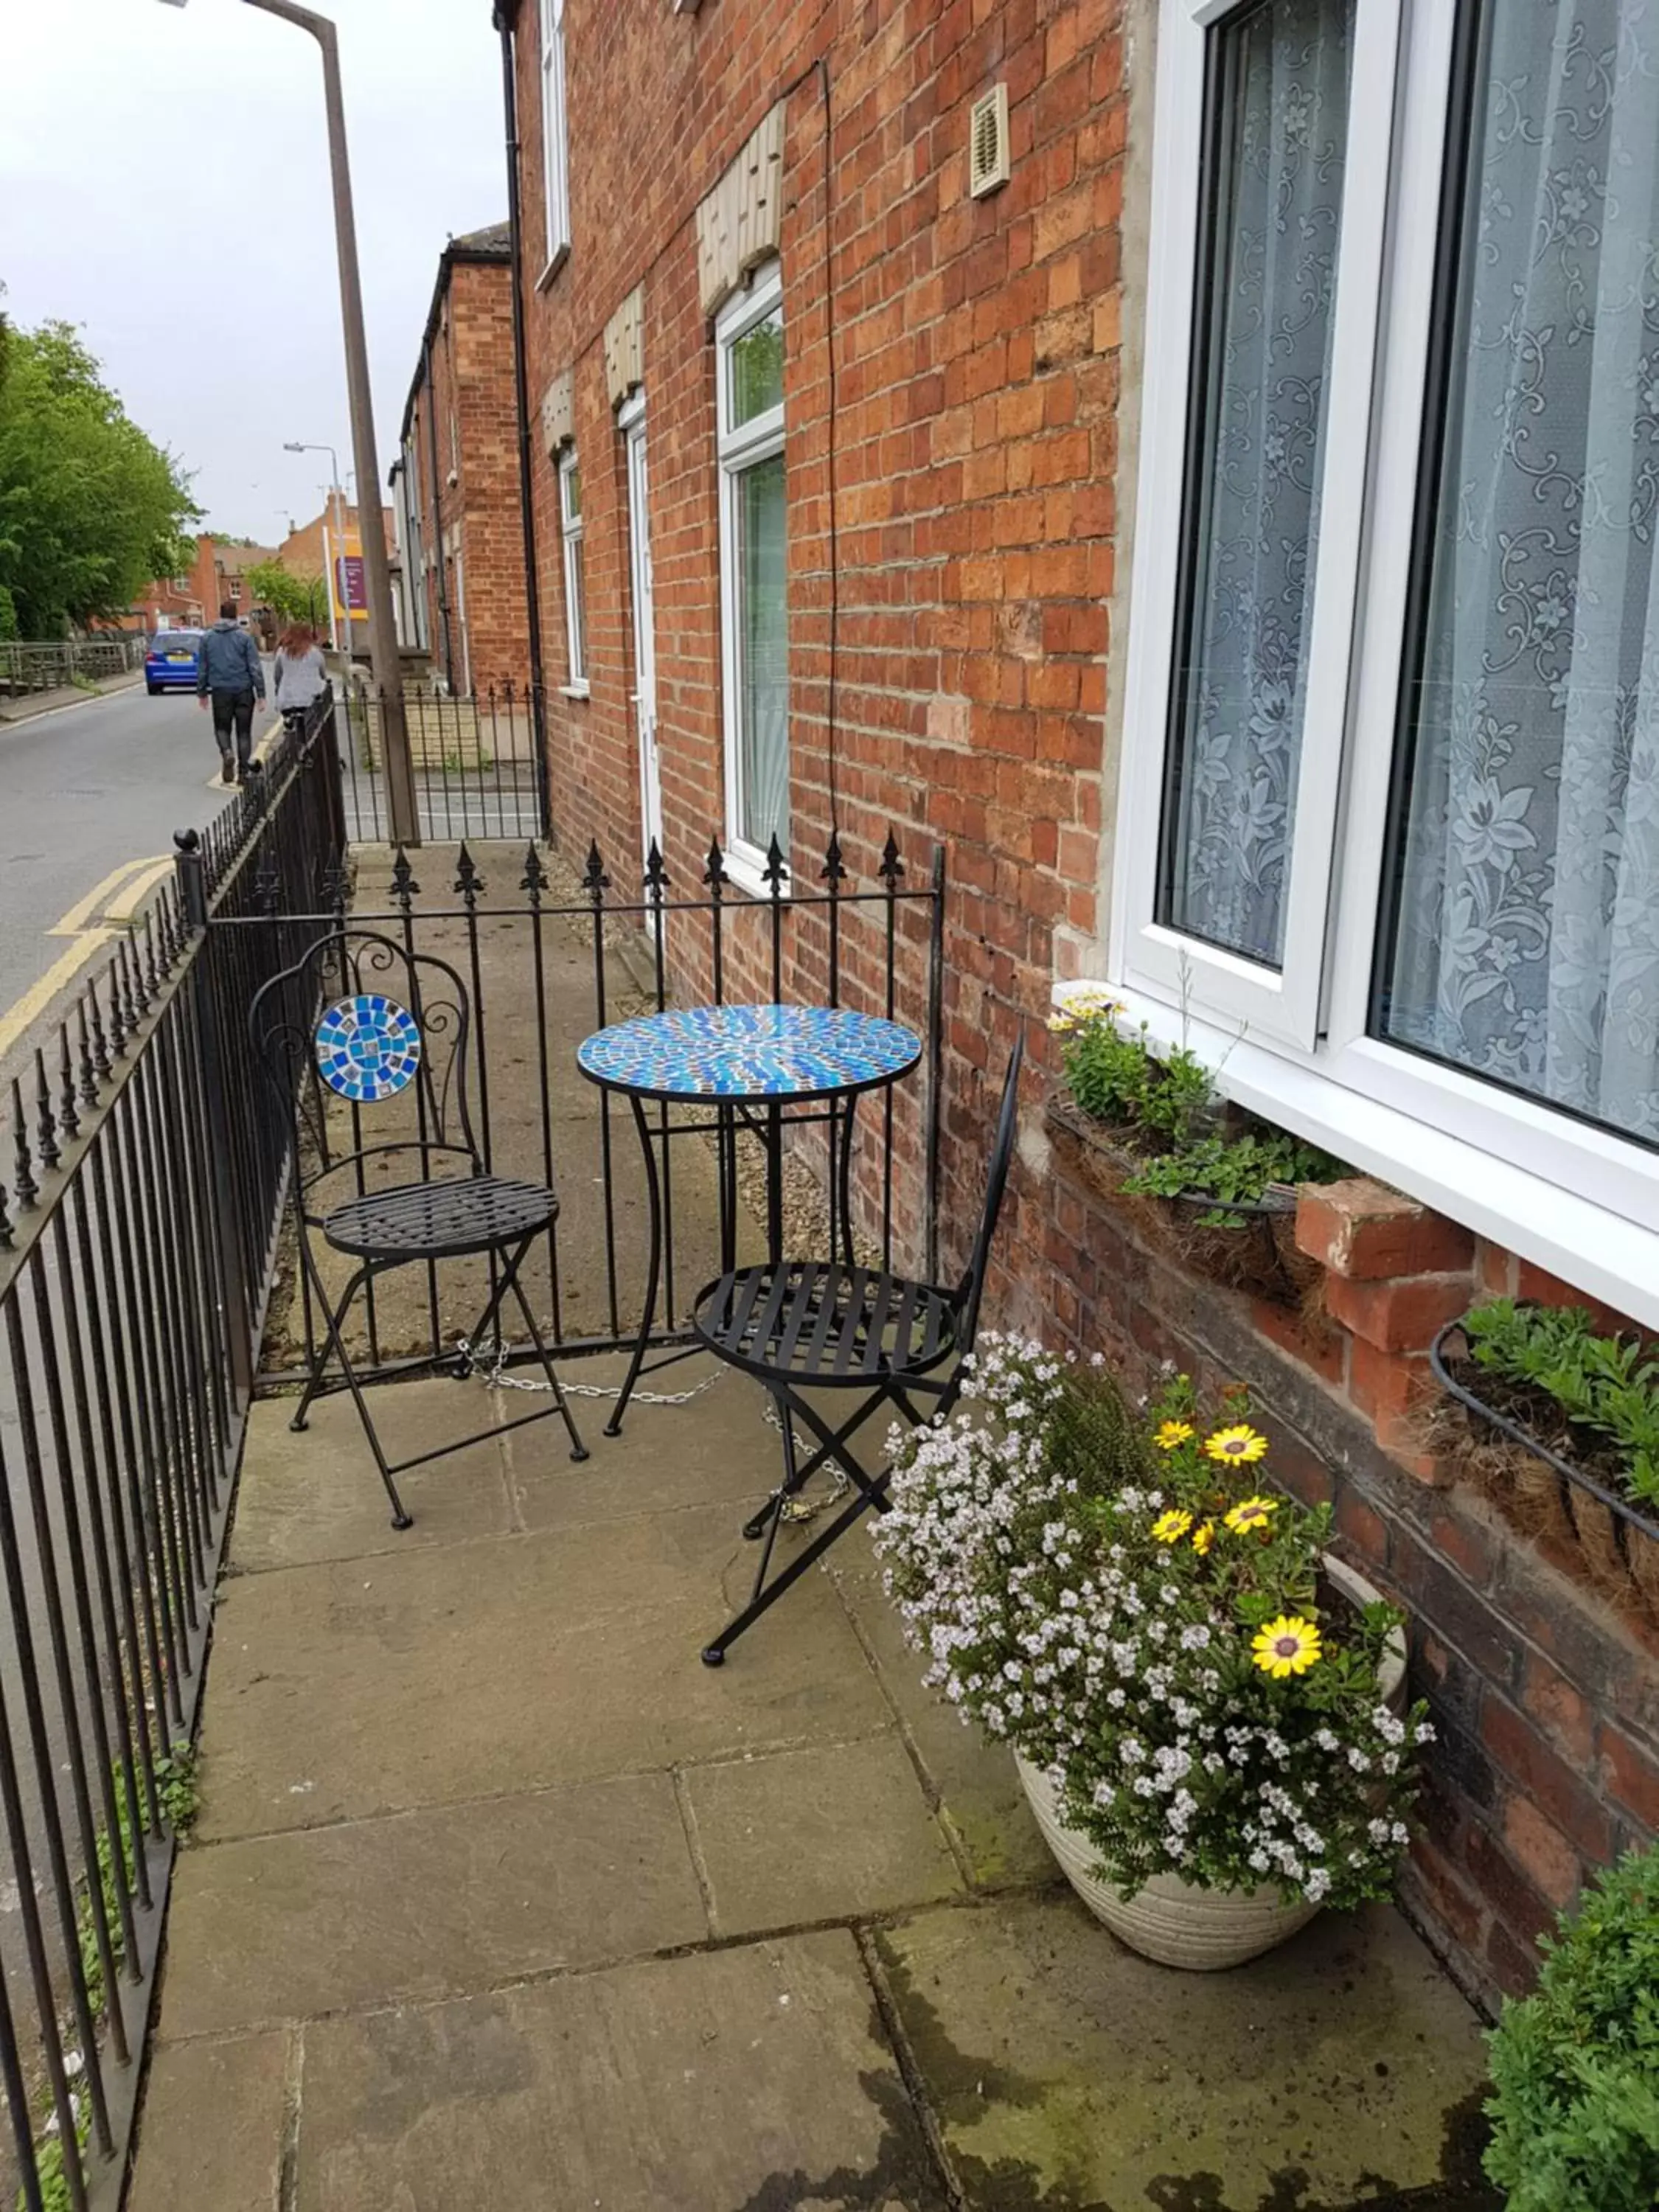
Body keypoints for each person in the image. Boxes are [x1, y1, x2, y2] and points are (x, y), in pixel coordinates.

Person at [196, 601, 266, 784]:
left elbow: (203, 668)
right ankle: (244, 773)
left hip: (220, 691)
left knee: (222, 728)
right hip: (243, 690)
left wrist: (202, 692)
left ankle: (227, 752)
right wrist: (261, 694)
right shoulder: (244, 638)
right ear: (235, 615)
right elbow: (255, 667)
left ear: (220, 614)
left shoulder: (207, 638)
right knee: (244, 733)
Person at [272, 621, 328, 732]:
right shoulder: (315, 653)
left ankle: (291, 732)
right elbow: (323, 675)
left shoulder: (282, 652)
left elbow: (277, 675)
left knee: (292, 731)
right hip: (310, 700)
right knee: (312, 732)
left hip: (288, 701)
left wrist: (279, 688)